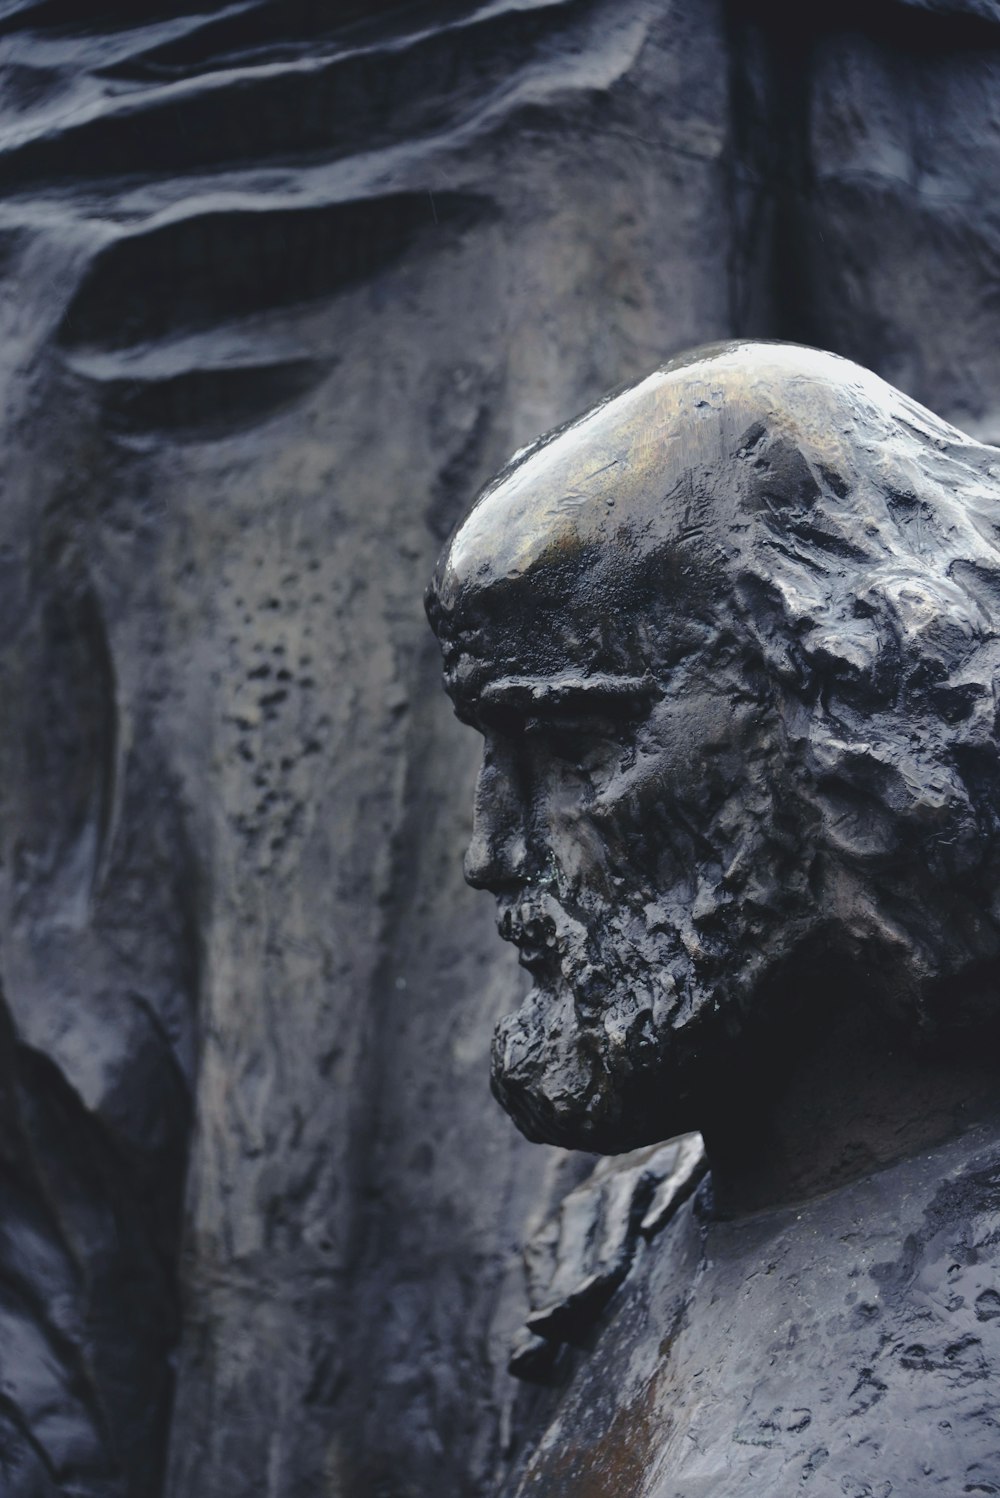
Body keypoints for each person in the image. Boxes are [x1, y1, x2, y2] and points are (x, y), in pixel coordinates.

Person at [427, 342, 1000, 1493]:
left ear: (853, 725)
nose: (490, 856)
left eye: (575, 750)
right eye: (492, 759)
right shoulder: (604, 1265)